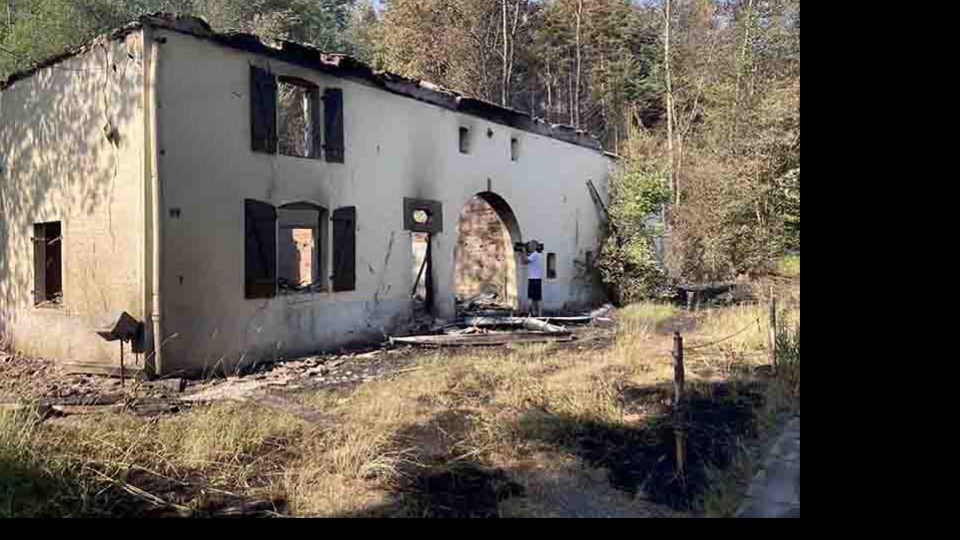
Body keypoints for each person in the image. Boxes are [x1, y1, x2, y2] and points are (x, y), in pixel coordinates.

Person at [524, 240, 544, 317]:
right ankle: (535, 313)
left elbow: (525, 261)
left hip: (535, 279)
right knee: (533, 298)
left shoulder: (535, 254)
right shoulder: (534, 255)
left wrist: (522, 252)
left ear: (535, 247)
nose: (529, 247)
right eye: (529, 246)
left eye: (531, 246)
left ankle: (538, 314)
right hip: (534, 278)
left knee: (536, 298)